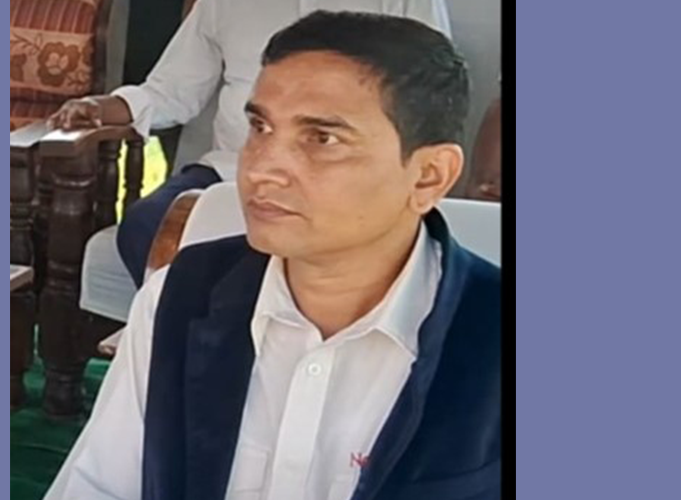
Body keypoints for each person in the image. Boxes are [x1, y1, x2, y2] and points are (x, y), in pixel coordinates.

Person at [44, 11, 500, 500]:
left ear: (429, 175)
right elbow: (102, 486)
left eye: (322, 138)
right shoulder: (180, 299)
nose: (262, 169)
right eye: (260, 128)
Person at [48, 0, 452, 287]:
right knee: (145, 224)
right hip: (232, 169)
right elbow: (171, 90)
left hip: (339, 176)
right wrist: (106, 107)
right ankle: (191, 339)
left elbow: (430, 93)